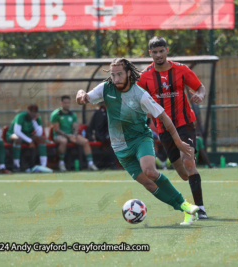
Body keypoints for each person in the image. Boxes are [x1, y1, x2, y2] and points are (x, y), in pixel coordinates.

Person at [76, 58, 199, 225]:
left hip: (141, 139)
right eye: (113, 75)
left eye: (119, 74)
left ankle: (186, 205)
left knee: (150, 172)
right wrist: (81, 94)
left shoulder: (140, 94)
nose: (116, 78)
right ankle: (186, 209)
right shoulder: (106, 88)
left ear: (128, 73)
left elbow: (163, 116)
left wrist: (177, 142)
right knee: (149, 185)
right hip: (120, 148)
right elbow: (84, 96)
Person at [137, 36, 208, 219]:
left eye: (162, 51)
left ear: (167, 51)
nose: (159, 55)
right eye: (155, 52)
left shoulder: (181, 70)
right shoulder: (144, 77)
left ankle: (200, 208)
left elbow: (200, 88)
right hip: (163, 130)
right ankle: (191, 172)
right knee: (184, 174)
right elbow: (136, 99)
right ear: (150, 53)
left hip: (184, 124)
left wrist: (200, 95)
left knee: (188, 161)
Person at [50, 95, 98, 171]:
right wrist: (68, 136)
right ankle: (61, 163)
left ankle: (90, 164)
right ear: (61, 103)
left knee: (85, 141)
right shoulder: (56, 114)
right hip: (59, 135)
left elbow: (75, 127)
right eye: (65, 103)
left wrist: (74, 135)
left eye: (68, 103)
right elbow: (56, 129)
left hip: (71, 135)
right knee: (63, 141)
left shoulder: (72, 114)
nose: (67, 104)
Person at [6, 104, 47, 171]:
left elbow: (39, 133)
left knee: (42, 139)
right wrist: (29, 141)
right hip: (13, 134)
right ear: (28, 111)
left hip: (27, 135)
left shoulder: (37, 118)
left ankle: (43, 166)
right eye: (31, 111)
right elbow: (17, 131)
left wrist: (34, 121)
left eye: (35, 112)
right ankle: (16, 165)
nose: (33, 113)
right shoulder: (20, 116)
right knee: (17, 139)